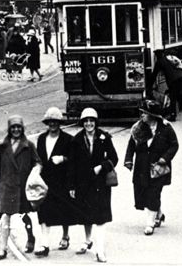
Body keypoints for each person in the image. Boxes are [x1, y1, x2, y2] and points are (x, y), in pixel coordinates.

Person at [67, 108, 118, 263]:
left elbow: (114, 158)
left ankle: (100, 250)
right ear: (82, 122)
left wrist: (102, 166)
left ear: (96, 122)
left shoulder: (104, 138)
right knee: (86, 214)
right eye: (86, 121)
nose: (89, 124)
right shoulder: (76, 140)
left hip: (101, 184)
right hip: (83, 184)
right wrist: (71, 186)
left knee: (101, 217)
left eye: (92, 121)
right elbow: (71, 165)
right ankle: (88, 240)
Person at [124, 100, 179, 235]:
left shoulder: (166, 128)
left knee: (153, 192)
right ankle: (158, 215)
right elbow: (131, 145)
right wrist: (129, 160)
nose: (141, 115)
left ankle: (150, 223)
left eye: (144, 113)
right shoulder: (137, 128)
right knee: (144, 190)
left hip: (158, 167)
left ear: (152, 115)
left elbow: (174, 145)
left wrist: (164, 158)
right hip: (142, 167)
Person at [0, 115, 40, 260]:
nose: (16, 130)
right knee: (5, 216)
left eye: (19, 127)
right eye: (13, 127)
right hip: (6, 185)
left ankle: (31, 238)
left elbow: (38, 162)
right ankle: (3, 248)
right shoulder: (3, 145)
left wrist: (36, 170)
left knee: (25, 214)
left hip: (22, 186)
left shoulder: (28, 145)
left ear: (22, 128)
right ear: (9, 129)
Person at [34, 107, 74, 256]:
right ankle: (45, 244)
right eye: (50, 122)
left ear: (60, 123)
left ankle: (65, 236)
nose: (53, 124)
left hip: (61, 181)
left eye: (56, 122)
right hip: (45, 181)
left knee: (63, 209)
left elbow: (74, 160)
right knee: (43, 211)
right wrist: (37, 170)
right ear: (47, 123)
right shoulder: (41, 139)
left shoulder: (68, 139)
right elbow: (38, 159)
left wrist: (63, 158)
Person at [150, 50, 182, 122]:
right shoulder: (170, 59)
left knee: (173, 98)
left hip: (173, 81)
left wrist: (149, 86)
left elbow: (154, 75)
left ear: (157, 56)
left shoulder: (159, 62)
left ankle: (173, 115)